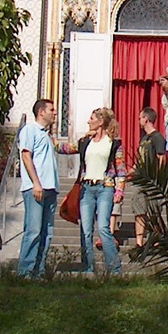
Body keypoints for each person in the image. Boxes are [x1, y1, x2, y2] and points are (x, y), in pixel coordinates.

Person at [63, 107, 125, 274]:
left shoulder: (114, 143)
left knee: (104, 227)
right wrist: (49, 139)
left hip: (105, 188)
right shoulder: (85, 142)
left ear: (100, 122)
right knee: (86, 229)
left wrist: (120, 190)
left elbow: (120, 169)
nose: (88, 121)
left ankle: (114, 268)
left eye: (91, 118)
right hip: (87, 189)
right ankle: (88, 267)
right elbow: (67, 148)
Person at [16, 98, 61, 278]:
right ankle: (25, 272)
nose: (55, 113)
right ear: (41, 112)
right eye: (52, 110)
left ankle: (38, 271)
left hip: (50, 188)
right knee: (33, 230)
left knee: (46, 232)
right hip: (36, 188)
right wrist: (36, 182)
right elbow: (26, 156)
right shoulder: (30, 129)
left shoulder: (47, 135)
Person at [121, 106, 168, 246]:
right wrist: (127, 174)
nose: (138, 121)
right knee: (139, 210)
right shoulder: (143, 139)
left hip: (152, 180)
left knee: (154, 210)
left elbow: (162, 158)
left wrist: (159, 178)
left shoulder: (157, 137)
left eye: (140, 118)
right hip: (140, 180)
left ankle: (157, 239)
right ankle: (139, 243)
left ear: (146, 119)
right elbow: (139, 161)